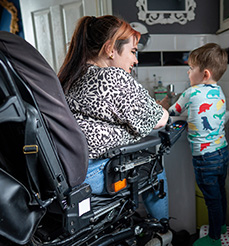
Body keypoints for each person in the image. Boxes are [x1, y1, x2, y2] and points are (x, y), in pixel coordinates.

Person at [57, 15, 170, 220]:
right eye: (133, 51)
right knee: (155, 167)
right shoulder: (111, 77)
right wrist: (164, 111)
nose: (135, 60)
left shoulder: (71, 76)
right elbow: (159, 119)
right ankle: (164, 232)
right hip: (90, 173)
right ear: (110, 49)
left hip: (66, 171)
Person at [168, 43, 229, 246]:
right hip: (222, 152)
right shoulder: (220, 92)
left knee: (211, 200)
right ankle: (220, 227)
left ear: (204, 73)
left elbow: (172, 112)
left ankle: (214, 240)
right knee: (220, 192)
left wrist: (167, 103)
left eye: (191, 68)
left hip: (205, 157)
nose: (188, 71)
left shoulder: (191, 93)